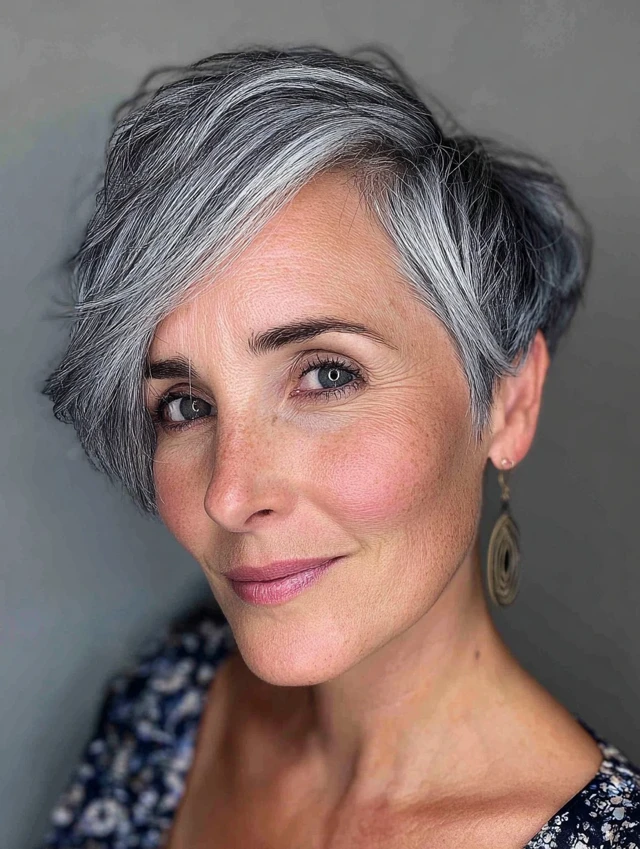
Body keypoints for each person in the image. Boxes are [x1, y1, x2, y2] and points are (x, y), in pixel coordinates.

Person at [38, 46, 640, 848]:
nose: (229, 493)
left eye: (325, 375)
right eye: (185, 404)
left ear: (507, 401)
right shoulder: (170, 705)